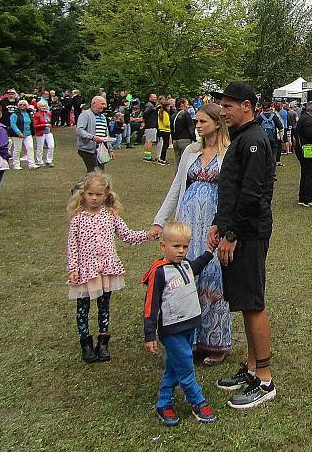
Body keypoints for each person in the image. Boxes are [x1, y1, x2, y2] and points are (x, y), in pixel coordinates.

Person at [209, 82, 277, 410]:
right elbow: (231, 189)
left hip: (249, 233)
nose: (222, 112)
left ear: (246, 106)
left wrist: (231, 234)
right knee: (246, 302)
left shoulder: (254, 140)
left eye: (228, 106)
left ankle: (264, 379)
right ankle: (251, 369)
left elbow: (251, 195)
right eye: (221, 106)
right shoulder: (242, 138)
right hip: (238, 229)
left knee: (253, 302)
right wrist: (218, 224)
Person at [151, 103, 233, 365]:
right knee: (187, 277)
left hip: (213, 219)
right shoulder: (190, 151)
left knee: (213, 276)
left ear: (217, 123)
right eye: (196, 121)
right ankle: (193, 339)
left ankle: (216, 342)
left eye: (202, 121)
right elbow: (176, 186)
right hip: (187, 220)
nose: (197, 126)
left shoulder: (228, 152)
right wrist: (160, 221)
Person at [66, 173, 154, 363]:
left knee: (104, 306)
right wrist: (73, 268)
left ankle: (103, 342)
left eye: (98, 194)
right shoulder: (78, 219)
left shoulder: (111, 216)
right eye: (90, 194)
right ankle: (86, 343)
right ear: (84, 194)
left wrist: (147, 235)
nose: (94, 198)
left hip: (106, 270)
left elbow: (127, 235)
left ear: (106, 195)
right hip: (85, 271)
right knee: (83, 308)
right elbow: (72, 246)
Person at [142, 222, 218, 426]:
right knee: (185, 366)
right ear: (163, 246)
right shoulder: (159, 272)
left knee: (174, 367)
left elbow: (199, 264)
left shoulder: (186, 265)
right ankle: (198, 402)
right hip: (171, 330)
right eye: (176, 246)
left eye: (185, 246)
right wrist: (149, 334)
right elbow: (151, 305)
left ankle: (164, 403)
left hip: (189, 326)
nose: (181, 251)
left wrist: (210, 251)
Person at [295, 101, 312, 207]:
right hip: (307, 151)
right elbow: (310, 134)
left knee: (305, 174)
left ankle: (302, 198)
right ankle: (309, 199)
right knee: (311, 174)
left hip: (302, 149)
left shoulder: (303, 118)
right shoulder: (307, 120)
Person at [76, 96, 111, 173]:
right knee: (94, 172)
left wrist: (110, 149)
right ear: (94, 104)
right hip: (87, 150)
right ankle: (81, 185)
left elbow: (106, 133)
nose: (104, 106)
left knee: (99, 172)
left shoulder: (103, 117)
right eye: (102, 104)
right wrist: (92, 137)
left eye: (105, 104)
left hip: (100, 150)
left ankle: (90, 184)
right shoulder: (85, 115)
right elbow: (79, 130)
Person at [10, 99, 37, 170]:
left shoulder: (28, 113)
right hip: (17, 134)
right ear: (18, 106)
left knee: (30, 148)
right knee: (17, 149)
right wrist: (18, 132)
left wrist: (32, 132)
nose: (22, 106)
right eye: (20, 105)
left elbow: (31, 123)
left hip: (28, 133)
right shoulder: (14, 114)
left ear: (27, 106)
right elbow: (13, 124)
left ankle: (32, 164)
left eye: (24, 105)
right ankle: (16, 164)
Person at [258, 103, 284, 173]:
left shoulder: (260, 117)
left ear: (263, 109)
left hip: (262, 140)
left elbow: (256, 127)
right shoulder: (274, 116)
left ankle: (264, 173)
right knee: (273, 157)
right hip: (273, 140)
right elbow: (280, 127)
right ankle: (272, 174)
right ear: (270, 108)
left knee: (263, 157)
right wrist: (281, 138)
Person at [172, 98, 196, 169]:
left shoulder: (173, 115)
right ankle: (183, 178)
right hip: (184, 140)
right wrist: (194, 139)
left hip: (175, 141)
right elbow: (191, 127)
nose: (188, 106)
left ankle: (177, 177)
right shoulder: (185, 113)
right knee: (185, 161)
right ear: (182, 104)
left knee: (177, 162)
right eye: (187, 104)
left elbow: (171, 129)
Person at [33, 101, 55, 167]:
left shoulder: (48, 114)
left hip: (48, 132)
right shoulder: (36, 115)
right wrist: (45, 125)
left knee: (51, 146)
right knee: (40, 147)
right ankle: (39, 161)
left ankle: (49, 160)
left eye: (45, 106)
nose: (44, 107)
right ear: (38, 107)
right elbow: (35, 126)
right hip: (40, 132)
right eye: (42, 106)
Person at [142, 94, 159, 162]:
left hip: (149, 125)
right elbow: (145, 113)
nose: (155, 98)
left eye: (156, 97)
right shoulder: (150, 105)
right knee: (149, 141)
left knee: (148, 141)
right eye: (154, 97)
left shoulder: (151, 105)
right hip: (151, 125)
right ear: (150, 98)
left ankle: (146, 155)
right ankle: (148, 157)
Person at [155, 100, 171, 165]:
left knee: (165, 144)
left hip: (162, 129)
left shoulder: (160, 112)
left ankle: (162, 158)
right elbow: (166, 123)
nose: (169, 108)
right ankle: (162, 158)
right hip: (165, 130)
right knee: (165, 145)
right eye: (169, 106)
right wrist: (171, 124)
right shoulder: (164, 113)